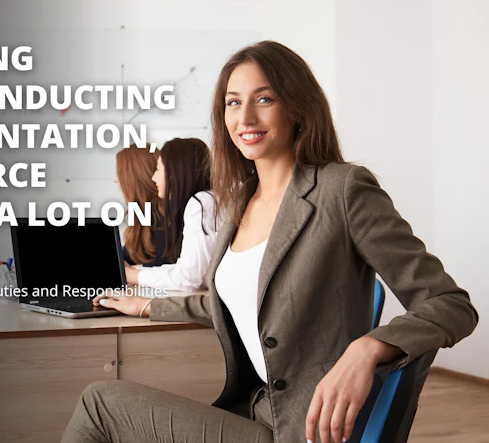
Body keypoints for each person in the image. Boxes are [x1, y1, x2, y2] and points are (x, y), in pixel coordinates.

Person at [64, 41, 479, 443]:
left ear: (297, 107)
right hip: (255, 411)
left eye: (264, 99)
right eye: (233, 102)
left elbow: (450, 304)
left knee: (101, 404)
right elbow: (242, 300)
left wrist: (369, 347)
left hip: (305, 427)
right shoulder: (241, 201)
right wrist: (148, 305)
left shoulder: (342, 190)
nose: (245, 116)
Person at [124, 138, 220, 292]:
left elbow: (188, 278)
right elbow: (186, 270)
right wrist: (134, 273)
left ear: (175, 172)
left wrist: (134, 276)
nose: (153, 177)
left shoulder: (201, 203)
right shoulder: (210, 200)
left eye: (158, 169)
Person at [114, 145, 166, 268]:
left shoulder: (164, 216)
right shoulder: (140, 213)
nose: (115, 180)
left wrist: (135, 269)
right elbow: (129, 257)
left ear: (136, 176)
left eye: (119, 173)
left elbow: (165, 266)